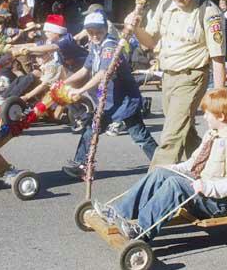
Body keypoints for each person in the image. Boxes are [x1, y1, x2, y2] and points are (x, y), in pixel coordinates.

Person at [91, 88, 227, 242]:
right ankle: (119, 212)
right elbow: (193, 163)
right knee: (161, 173)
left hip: (219, 202)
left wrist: (207, 187)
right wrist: (172, 168)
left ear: (221, 116)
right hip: (202, 190)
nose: (204, 116)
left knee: (175, 184)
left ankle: (141, 229)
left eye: (207, 113)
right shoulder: (211, 135)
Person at [124, 0, 226, 166]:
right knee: (184, 132)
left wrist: (220, 95)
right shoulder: (164, 3)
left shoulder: (209, 12)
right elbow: (150, 42)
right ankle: (209, 169)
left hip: (192, 76)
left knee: (170, 137)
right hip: (168, 76)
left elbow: (218, 57)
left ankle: (154, 187)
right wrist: (135, 29)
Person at [61, 11, 158, 177]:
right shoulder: (94, 46)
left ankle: (161, 162)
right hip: (108, 100)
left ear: (106, 29)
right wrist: (64, 82)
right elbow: (85, 70)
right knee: (91, 130)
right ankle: (81, 164)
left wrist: (80, 90)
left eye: (99, 31)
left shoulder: (110, 46)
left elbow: (103, 73)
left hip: (125, 100)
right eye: (91, 32)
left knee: (139, 135)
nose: (95, 35)